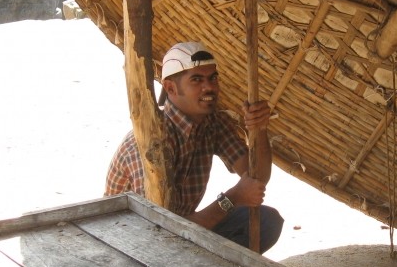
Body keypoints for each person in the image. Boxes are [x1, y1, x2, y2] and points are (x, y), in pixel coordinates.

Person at [105, 41, 284, 253]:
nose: (209, 87)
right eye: (197, 80)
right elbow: (162, 231)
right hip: (136, 246)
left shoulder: (213, 123)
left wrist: (259, 129)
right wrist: (232, 198)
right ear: (170, 88)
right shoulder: (152, 142)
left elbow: (257, 178)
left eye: (212, 78)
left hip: (179, 231)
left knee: (266, 222)